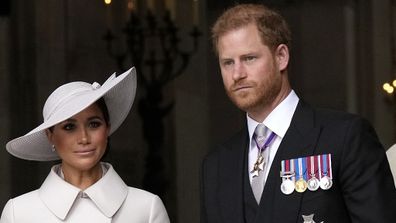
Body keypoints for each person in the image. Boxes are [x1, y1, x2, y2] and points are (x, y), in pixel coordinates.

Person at [201, 3, 396, 223]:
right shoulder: (216, 166)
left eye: (249, 58)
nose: (237, 74)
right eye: (227, 63)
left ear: (281, 57)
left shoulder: (345, 138)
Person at [0, 67, 170, 222]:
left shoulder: (147, 208)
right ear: (50, 136)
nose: (83, 138)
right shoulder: (19, 213)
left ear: (107, 128)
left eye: (94, 124)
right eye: (69, 127)